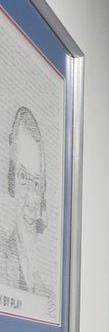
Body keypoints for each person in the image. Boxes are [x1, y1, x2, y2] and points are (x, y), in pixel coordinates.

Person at [0, 107, 54, 313]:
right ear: (11, 182)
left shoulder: (48, 296)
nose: (32, 199)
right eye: (23, 178)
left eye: (37, 184)